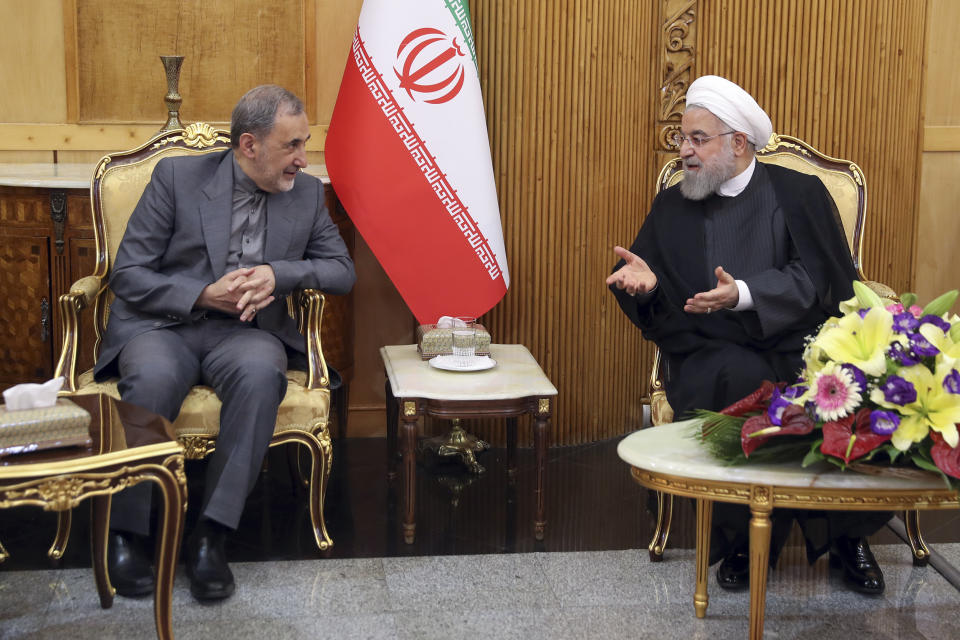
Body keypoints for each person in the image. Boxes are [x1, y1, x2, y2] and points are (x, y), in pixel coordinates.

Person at [607, 75, 890, 594]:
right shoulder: (674, 204)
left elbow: (824, 279)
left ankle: (850, 535)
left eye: (697, 139)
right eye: (682, 138)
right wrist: (644, 289)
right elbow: (662, 304)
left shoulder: (799, 192)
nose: (684, 152)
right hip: (714, 349)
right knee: (743, 383)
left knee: (850, 382)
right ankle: (741, 537)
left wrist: (742, 293)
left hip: (800, 341)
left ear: (738, 143)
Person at [94, 85, 356, 601]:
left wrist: (278, 273)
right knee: (152, 378)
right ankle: (126, 534)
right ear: (248, 145)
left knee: (263, 374)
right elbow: (129, 274)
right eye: (292, 146)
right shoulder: (177, 178)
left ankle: (211, 536)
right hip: (167, 324)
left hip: (245, 333)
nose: (303, 159)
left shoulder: (305, 192)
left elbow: (342, 272)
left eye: (305, 143)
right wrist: (201, 293)